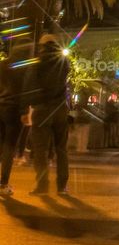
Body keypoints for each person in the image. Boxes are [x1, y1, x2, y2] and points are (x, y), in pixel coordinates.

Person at [25, 33, 71, 196]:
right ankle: (62, 186)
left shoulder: (37, 62)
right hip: (60, 109)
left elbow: (29, 86)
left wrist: (28, 107)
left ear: (42, 45)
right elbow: (67, 85)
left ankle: (42, 186)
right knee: (61, 149)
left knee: (40, 150)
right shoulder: (64, 62)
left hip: (43, 109)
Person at [0, 57, 24, 196]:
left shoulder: (3, 64)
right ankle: (3, 183)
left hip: (1, 105)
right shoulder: (23, 65)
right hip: (14, 109)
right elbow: (26, 90)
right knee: (9, 146)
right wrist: (25, 111)